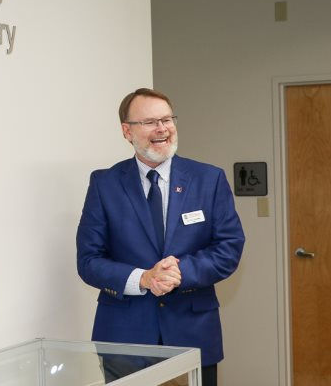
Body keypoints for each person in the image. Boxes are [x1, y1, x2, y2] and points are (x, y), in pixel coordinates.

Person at [76, 88, 244, 386]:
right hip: (124, 338)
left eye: (167, 119)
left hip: (192, 334)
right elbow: (89, 261)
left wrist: (179, 273)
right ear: (127, 131)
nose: (162, 128)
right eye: (150, 122)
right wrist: (143, 278)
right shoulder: (105, 184)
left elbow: (228, 247)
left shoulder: (209, 179)